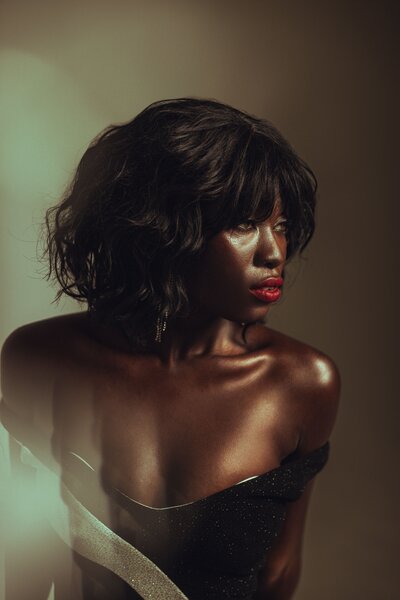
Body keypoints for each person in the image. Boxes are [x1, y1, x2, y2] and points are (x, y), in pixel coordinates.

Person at [0, 98, 340, 600]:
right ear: (165, 226)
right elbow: (30, 563)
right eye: (245, 224)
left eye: (282, 226)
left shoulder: (302, 383)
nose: (274, 252)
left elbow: (279, 574)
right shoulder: (38, 359)